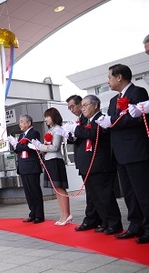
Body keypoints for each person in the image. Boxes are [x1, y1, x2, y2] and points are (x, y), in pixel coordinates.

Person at [96, 64, 149, 244]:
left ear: (120, 77)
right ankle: (135, 225)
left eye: (110, 77)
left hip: (135, 151)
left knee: (143, 191)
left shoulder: (138, 93)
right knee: (128, 192)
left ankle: (148, 227)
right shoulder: (112, 101)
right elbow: (113, 122)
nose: (108, 81)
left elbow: (136, 118)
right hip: (119, 152)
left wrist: (112, 122)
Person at [63, 95, 123, 235]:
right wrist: (71, 133)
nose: (82, 108)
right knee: (95, 198)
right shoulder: (85, 121)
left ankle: (114, 223)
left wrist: (76, 129)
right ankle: (105, 222)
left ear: (95, 105)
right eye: (82, 106)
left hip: (100, 164)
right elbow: (81, 137)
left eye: (85, 105)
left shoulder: (101, 119)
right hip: (88, 164)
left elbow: (92, 133)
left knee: (105, 196)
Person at [66, 95, 101, 231]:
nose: (72, 110)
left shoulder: (90, 119)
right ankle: (92, 219)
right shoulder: (81, 120)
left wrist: (75, 130)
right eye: (69, 108)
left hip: (94, 161)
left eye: (73, 106)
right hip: (84, 160)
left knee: (97, 195)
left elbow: (89, 134)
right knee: (91, 194)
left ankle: (93, 219)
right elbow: (78, 138)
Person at [29, 108, 71, 226]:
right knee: (56, 189)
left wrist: (40, 146)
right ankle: (63, 214)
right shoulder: (51, 130)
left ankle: (67, 214)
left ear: (53, 116)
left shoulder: (57, 129)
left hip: (55, 161)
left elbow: (55, 147)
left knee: (60, 188)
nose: (46, 119)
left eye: (48, 116)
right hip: (49, 160)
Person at [7, 115, 44, 224]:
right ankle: (32, 213)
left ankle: (39, 215)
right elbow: (18, 150)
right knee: (28, 192)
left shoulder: (34, 133)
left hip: (32, 166)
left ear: (29, 123)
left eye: (22, 122)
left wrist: (17, 145)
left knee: (35, 191)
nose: (20, 124)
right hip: (23, 166)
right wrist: (16, 145)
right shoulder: (21, 135)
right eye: (20, 122)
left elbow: (28, 146)